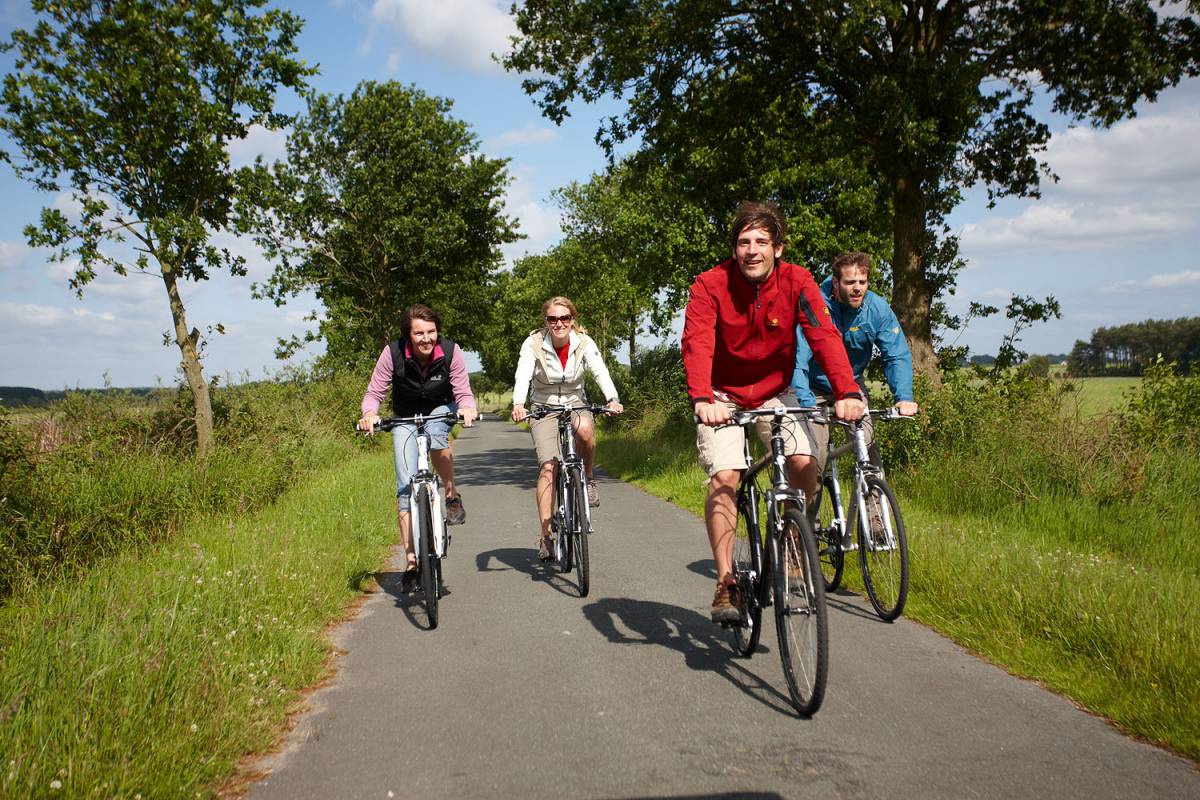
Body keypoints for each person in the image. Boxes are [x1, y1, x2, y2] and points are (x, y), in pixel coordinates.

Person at [681, 201, 865, 624]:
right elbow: (697, 342)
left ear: (777, 248)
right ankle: (727, 582)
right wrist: (701, 399)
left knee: (805, 463)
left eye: (761, 241)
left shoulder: (798, 281)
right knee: (726, 476)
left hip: (775, 392)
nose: (752, 250)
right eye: (743, 242)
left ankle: (791, 541)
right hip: (721, 394)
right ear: (733, 248)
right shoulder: (710, 285)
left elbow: (824, 335)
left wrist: (847, 390)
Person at [358, 304, 478, 584]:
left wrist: (467, 408)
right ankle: (411, 562)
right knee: (404, 488)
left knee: (437, 432)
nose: (426, 338)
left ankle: (450, 493)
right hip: (405, 415)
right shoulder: (393, 353)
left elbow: (463, 390)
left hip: (440, 406)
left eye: (431, 332)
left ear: (438, 331)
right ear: (408, 335)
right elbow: (375, 390)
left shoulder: (451, 351)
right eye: (419, 333)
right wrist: (369, 414)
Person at [790, 250, 918, 507]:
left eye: (862, 282)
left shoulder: (876, 308)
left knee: (866, 445)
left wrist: (903, 397)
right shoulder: (816, 305)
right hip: (812, 388)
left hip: (849, 386)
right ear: (836, 283)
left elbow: (896, 354)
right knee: (815, 455)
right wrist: (804, 402)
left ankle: (876, 521)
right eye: (850, 283)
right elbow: (798, 359)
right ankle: (808, 530)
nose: (857, 288)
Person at [511, 296, 623, 560]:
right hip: (544, 405)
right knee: (549, 467)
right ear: (546, 321)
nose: (559, 323)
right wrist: (518, 403)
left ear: (572, 319)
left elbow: (599, 371)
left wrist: (613, 398)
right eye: (553, 319)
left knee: (585, 431)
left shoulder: (584, 342)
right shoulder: (533, 343)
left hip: (575, 402)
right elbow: (523, 373)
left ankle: (588, 478)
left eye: (564, 318)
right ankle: (546, 535)